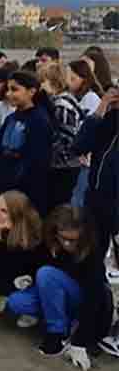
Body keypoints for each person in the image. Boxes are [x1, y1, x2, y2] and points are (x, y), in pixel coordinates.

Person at [7, 205, 113, 368]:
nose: (66, 243)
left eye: (72, 240)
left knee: (47, 274)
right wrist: (27, 276)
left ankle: (56, 333)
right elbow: (35, 262)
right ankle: (64, 321)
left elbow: (95, 296)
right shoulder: (49, 241)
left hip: (81, 298)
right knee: (16, 301)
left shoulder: (91, 252)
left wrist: (81, 341)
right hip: (54, 294)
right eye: (63, 238)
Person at [0, 71, 52, 216]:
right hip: (1, 188)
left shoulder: (39, 120)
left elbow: (34, 162)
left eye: (14, 89)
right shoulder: (11, 118)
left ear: (31, 91)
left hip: (24, 193)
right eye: (8, 89)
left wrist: (4, 183)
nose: (9, 94)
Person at [73, 87, 119, 269]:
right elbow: (79, 145)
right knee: (91, 253)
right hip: (97, 196)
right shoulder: (108, 120)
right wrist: (102, 107)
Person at [0, 191, 43, 324]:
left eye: (4, 211)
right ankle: (0, 294)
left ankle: (32, 311)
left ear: (17, 215)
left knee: (16, 301)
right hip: (11, 278)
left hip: (28, 282)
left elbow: (21, 269)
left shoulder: (31, 234)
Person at [38, 63, 84, 210]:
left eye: (43, 81)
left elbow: (67, 138)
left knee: (59, 206)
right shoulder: (58, 101)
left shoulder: (61, 105)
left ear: (53, 81)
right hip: (62, 164)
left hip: (64, 165)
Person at [67, 59, 103, 208]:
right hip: (77, 159)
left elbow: (89, 128)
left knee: (78, 202)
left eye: (72, 78)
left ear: (84, 79)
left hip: (86, 161)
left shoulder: (91, 99)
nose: (68, 82)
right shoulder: (75, 97)